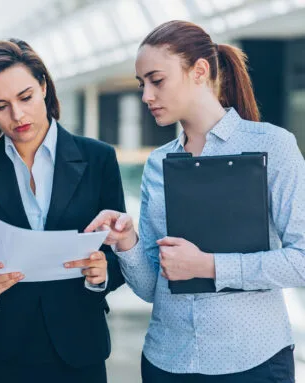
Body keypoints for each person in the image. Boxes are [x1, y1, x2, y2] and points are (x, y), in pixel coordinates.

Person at [86, 20, 305, 382]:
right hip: (166, 363)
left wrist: (209, 265)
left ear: (200, 71)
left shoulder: (272, 145)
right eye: (143, 85)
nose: (146, 96)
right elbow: (150, 288)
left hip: (253, 363)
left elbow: (301, 260)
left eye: (157, 81)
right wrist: (127, 243)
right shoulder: (158, 164)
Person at [0, 39, 126, 383]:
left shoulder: (98, 159)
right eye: (0, 106)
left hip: (77, 350)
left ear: (44, 86)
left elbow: (118, 257)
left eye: (25, 97)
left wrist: (102, 273)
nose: (17, 116)